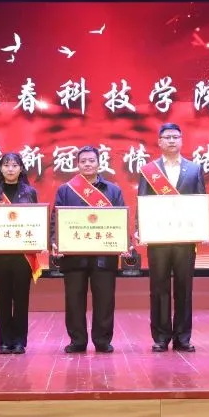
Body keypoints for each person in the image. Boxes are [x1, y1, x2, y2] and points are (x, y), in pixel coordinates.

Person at [136, 123, 207, 352]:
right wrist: (141, 228)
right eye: (167, 137)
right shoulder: (149, 170)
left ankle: (183, 338)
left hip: (185, 239)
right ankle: (161, 337)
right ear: (159, 141)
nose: (171, 141)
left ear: (182, 140)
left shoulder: (194, 169)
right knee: (159, 288)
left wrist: (203, 228)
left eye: (175, 137)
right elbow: (143, 201)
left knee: (184, 288)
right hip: (159, 239)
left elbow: (200, 200)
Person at [52, 146, 126, 354]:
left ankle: (102, 340)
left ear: (99, 163)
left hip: (104, 255)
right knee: (74, 300)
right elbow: (55, 221)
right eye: (83, 161)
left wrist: (123, 242)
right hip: (73, 256)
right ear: (77, 164)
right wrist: (55, 241)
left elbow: (121, 220)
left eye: (91, 160)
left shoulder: (113, 190)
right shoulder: (66, 190)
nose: (87, 164)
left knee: (105, 300)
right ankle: (77, 341)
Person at [0, 152, 40, 355]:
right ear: (0, 168)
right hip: (0, 254)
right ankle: (5, 341)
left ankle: (20, 341)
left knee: (21, 298)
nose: (10, 169)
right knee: (3, 298)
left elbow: (36, 222)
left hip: (23, 255)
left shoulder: (30, 193)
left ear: (21, 168)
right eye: (6, 165)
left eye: (14, 165)